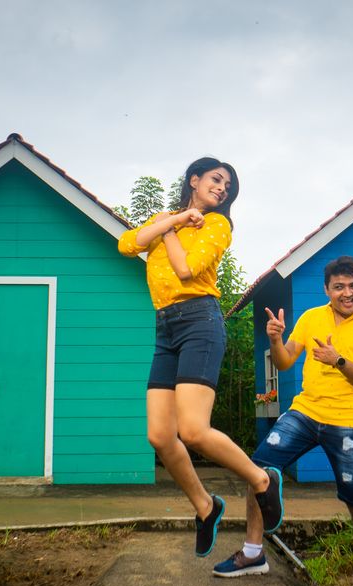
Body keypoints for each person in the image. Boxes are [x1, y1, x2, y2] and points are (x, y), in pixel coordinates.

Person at [118, 157, 283, 558]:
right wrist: (173, 220)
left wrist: (170, 227)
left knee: (192, 430)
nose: (223, 187)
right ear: (194, 180)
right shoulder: (171, 218)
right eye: (216, 178)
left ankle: (263, 481)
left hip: (199, 322)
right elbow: (126, 245)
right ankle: (206, 507)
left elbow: (187, 269)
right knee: (159, 435)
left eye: (228, 185)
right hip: (166, 328)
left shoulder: (217, 225)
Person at [213, 256, 353, 586]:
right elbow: (283, 361)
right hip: (306, 412)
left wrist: (338, 360)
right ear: (327, 290)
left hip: (350, 419)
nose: (347, 292)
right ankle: (253, 553)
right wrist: (276, 340)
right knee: (258, 468)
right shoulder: (311, 318)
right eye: (339, 286)